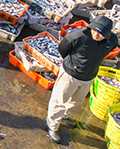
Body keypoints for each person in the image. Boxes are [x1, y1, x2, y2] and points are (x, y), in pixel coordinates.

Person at [47, 15, 119, 143]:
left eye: (100, 33)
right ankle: (52, 125)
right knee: (59, 100)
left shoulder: (112, 40)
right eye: (94, 31)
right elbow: (63, 48)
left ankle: (64, 115)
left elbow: (108, 51)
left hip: (89, 76)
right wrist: (72, 64)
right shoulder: (78, 36)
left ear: (107, 34)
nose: (96, 35)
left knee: (76, 101)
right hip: (70, 75)